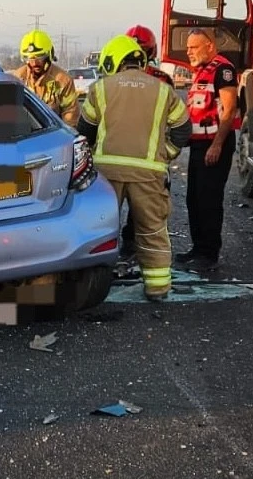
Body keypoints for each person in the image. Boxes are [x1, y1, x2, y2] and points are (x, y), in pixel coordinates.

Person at [78, 34, 191, 300]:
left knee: (98, 230)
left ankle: (91, 289)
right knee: (152, 230)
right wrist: (165, 154)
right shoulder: (162, 89)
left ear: (112, 60)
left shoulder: (101, 88)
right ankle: (158, 288)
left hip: (106, 175)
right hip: (149, 174)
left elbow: (85, 131)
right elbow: (183, 129)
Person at [175, 27, 239, 270]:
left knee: (209, 200)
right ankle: (198, 248)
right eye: (188, 47)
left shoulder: (222, 69)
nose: (188, 52)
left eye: (194, 47)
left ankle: (209, 254)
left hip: (215, 146)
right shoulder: (201, 70)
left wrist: (217, 145)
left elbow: (229, 109)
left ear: (210, 46)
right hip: (200, 145)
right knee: (194, 199)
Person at [118, 25, 174, 256]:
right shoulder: (161, 80)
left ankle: (128, 243)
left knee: (118, 204)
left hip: (122, 152)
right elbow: (177, 122)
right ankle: (138, 245)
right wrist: (168, 152)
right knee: (147, 208)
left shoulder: (114, 79)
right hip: (148, 155)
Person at [14, 29, 79, 125]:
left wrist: (64, 137)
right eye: (30, 58)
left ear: (49, 55)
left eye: (39, 57)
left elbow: (70, 115)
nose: (34, 63)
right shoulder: (17, 79)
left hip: (53, 135)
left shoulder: (63, 81)